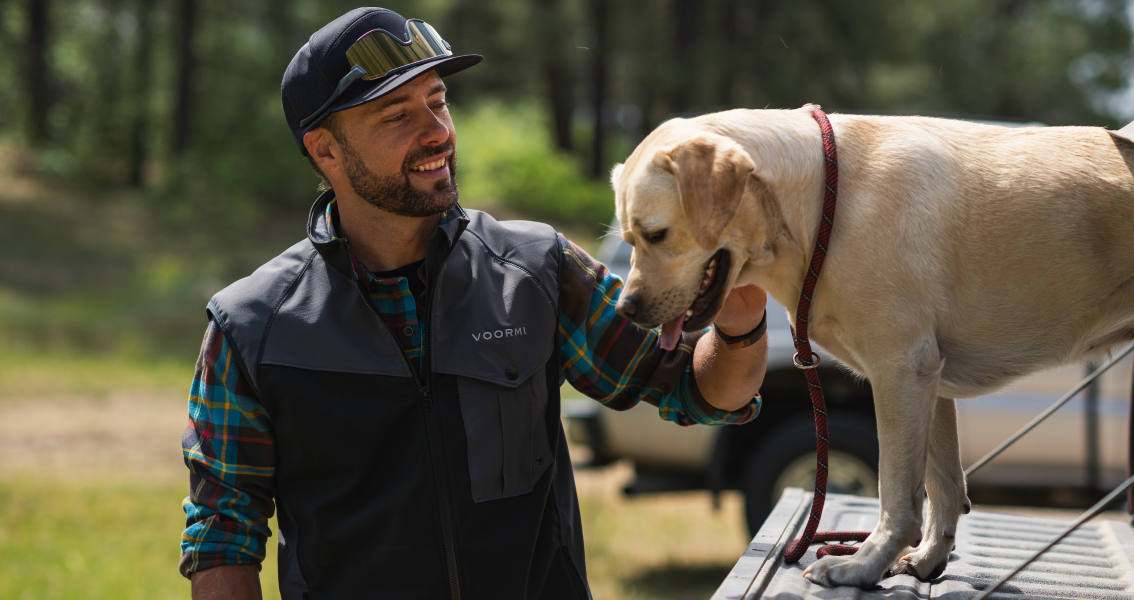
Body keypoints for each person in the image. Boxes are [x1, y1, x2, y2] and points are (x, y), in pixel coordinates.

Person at [179, 8, 768, 600]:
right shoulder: (252, 330)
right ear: (326, 151)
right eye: (398, 115)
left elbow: (695, 390)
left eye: (438, 101)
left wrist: (740, 326)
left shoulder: (538, 269)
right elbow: (222, 540)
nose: (436, 130)